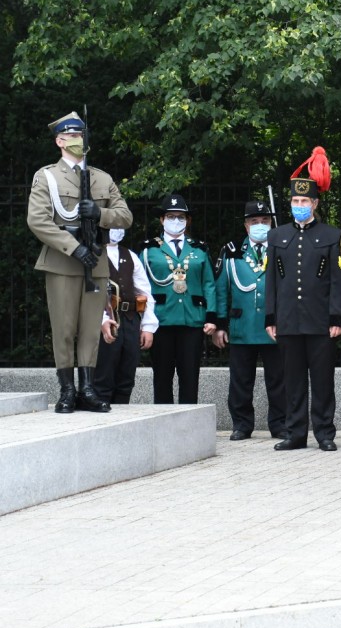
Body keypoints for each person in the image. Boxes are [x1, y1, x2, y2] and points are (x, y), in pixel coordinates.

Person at [27, 111, 132, 413]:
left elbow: (125, 216)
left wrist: (100, 214)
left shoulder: (102, 178)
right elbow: (38, 220)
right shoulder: (47, 176)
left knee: (89, 329)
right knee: (64, 328)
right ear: (59, 141)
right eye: (72, 135)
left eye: (81, 135)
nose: (78, 140)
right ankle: (67, 390)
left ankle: (87, 389)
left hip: (95, 261)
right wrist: (74, 248)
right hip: (62, 262)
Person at [265, 148, 341, 452]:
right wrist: (271, 317)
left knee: (323, 380)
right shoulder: (277, 236)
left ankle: (324, 433)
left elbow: (338, 280)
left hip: (320, 320)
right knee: (293, 380)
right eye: (295, 201)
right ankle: (295, 433)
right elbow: (271, 280)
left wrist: (336, 317)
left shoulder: (332, 234)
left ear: (315, 203)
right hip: (288, 319)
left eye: (304, 201)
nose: (299, 205)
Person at [213, 201, 286, 441]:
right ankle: (242, 425)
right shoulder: (232, 251)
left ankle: (280, 424)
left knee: (278, 380)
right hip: (242, 327)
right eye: (254, 221)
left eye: (265, 221)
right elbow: (222, 291)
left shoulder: (281, 249)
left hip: (274, 327)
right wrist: (220, 325)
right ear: (246, 226)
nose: (260, 225)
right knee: (241, 381)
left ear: (271, 224)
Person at [141, 194, 218, 404]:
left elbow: (209, 284)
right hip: (161, 319)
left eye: (180, 217)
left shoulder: (199, 248)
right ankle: (163, 420)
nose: (176, 221)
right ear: (162, 220)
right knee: (162, 377)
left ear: (188, 220)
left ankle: (189, 421)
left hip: (192, 319)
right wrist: (144, 321)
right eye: (170, 216)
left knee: (190, 377)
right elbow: (141, 286)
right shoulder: (149, 250)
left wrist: (211, 317)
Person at [95, 228, 158, 404]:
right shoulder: (92, 253)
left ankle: (123, 414)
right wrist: (101, 319)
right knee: (103, 376)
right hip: (105, 320)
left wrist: (148, 326)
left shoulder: (130, 255)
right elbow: (89, 292)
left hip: (130, 319)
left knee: (127, 375)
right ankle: (101, 413)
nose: (116, 229)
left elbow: (144, 291)